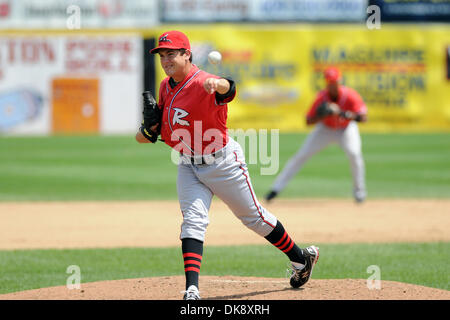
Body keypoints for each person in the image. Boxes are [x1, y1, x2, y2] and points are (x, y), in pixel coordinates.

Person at [135, 30, 319, 300]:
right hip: (188, 164)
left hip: (223, 164)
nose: (165, 60)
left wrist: (218, 85)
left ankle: (301, 259)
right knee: (193, 223)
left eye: (171, 54)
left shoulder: (203, 82)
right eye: (162, 55)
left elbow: (229, 88)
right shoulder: (165, 86)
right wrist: (149, 128)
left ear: (187, 54)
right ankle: (192, 289)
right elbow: (147, 135)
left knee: (254, 218)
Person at [265, 67, 368, 204]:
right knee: (301, 155)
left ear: (339, 81)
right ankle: (275, 189)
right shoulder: (321, 97)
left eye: (334, 81)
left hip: (346, 129)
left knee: (355, 154)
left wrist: (342, 113)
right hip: (325, 129)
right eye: (329, 82)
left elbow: (363, 118)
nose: (332, 84)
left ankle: (359, 191)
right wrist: (322, 115)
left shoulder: (350, 95)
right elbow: (308, 121)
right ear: (326, 82)